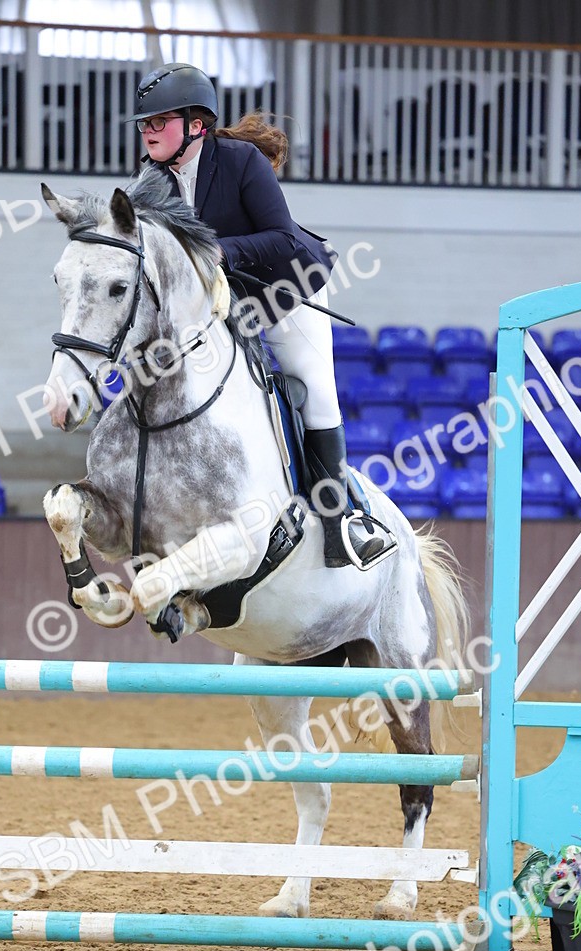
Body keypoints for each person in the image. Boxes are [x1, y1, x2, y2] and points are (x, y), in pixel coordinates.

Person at [127, 62, 392, 570]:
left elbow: (282, 237)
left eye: (160, 121)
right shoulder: (150, 181)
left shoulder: (240, 160)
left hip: (285, 287)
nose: (148, 131)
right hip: (223, 299)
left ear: (196, 125)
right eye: (145, 123)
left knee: (315, 389)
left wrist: (219, 251)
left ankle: (342, 522)